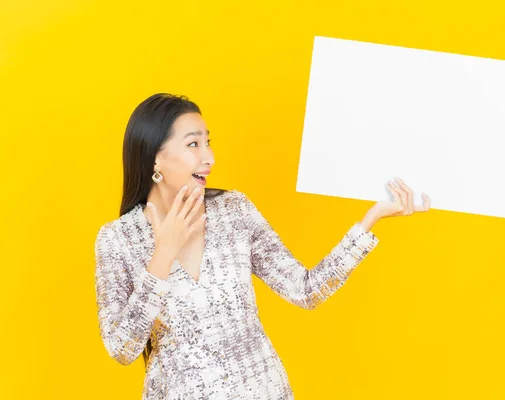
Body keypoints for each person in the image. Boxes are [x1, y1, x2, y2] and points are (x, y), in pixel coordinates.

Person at [94, 93, 431, 400]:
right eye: (193, 144)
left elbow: (306, 290)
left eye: (208, 142)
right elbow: (123, 348)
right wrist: (163, 254)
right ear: (156, 157)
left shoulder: (234, 211)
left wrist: (370, 220)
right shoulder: (117, 240)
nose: (209, 156)